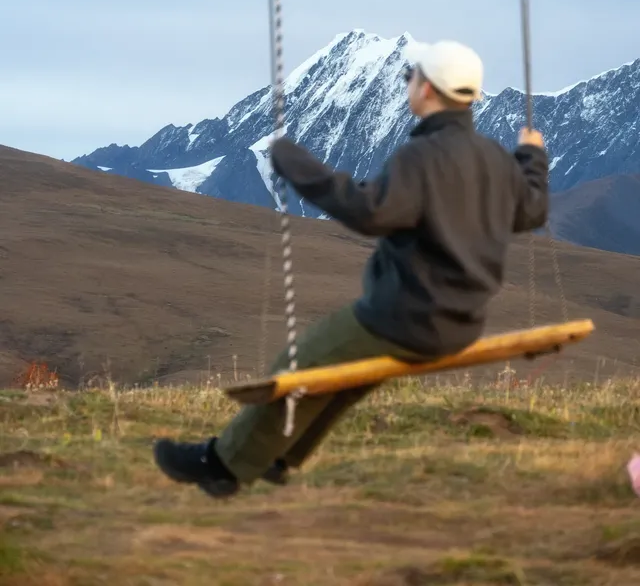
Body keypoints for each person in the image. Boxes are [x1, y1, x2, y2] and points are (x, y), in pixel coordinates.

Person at [153, 39, 548, 498]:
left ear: (428, 90)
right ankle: (278, 457)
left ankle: (219, 465)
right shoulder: (495, 158)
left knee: (297, 368)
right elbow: (532, 209)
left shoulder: (421, 157)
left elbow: (369, 213)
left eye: (411, 78)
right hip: (463, 322)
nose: (409, 86)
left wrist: (295, 163)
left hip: (406, 317)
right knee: (342, 377)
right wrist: (531, 157)